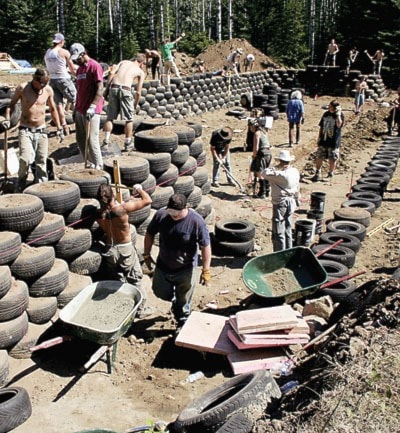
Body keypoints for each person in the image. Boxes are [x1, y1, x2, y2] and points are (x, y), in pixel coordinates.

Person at [143, 193, 212, 331]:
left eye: (177, 213)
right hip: (163, 266)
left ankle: (183, 321)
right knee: (159, 291)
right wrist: (146, 254)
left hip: (186, 269)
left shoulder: (196, 221)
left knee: (184, 299)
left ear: (185, 207)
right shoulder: (161, 215)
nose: (173, 215)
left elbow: (205, 246)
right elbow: (149, 233)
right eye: (171, 212)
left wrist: (206, 270)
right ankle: (175, 301)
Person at [1, 68, 63, 192]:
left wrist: (59, 127)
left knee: (41, 160)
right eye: (40, 83)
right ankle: (21, 181)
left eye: (45, 83)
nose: (42, 86)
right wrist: (7, 119)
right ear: (34, 79)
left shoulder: (47, 90)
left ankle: (41, 185)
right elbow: (11, 105)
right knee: (25, 158)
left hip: (41, 130)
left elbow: (52, 109)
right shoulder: (22, 88)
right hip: (25, 129)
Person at [96, 183, 153, 317]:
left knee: (117, 278)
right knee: (135, 278)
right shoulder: (122, 209)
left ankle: (120, 306)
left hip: (109, 249)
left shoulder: (99, 213)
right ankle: (140, 310)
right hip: (125, 248)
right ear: (113, 195)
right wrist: (139, 189)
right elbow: (148, 200)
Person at [70, 42, 104, 169]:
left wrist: (93, 106)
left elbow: (100, 88)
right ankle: (89, 162)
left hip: (92, 109)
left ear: (83, 54)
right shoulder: (79, 70)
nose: (76, 61)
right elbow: (79, 89)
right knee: (80, 138)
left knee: (92, 139)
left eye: (78, 58)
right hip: (80, 108)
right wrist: (75, 107)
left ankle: (99, 164)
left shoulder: (95, 66)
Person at [103, 54, 146, 150]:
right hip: (126, 90)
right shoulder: (140, 72)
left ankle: (105, 141)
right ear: (142, 63)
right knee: (129, 118)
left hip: (114, 87)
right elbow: (138, 92)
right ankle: (127, 143)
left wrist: (106, 90)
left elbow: (112, 73)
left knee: (110, 117)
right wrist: (134, 105)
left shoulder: (123, 62)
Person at [260, 150, 300, 252]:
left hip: (281, 203)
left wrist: (276, 167)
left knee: (278, 231)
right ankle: (288, 251)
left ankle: (279, 253)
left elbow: (264, 173)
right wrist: (297, 199)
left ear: (280, 161)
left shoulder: (280, 175)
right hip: (291, 202)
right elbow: (297, 187)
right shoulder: (295, 171)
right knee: (288, 228)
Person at [44, 32, 76, 136]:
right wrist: (76, 75)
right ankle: (81, 121)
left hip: (52, 79)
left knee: (58, 104)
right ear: (61, 41)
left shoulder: (48, 52)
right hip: (64, 78)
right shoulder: (64, 52)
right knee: (76, 100)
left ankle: (63, 125)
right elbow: (71, 67)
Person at [312, 99, 345, 181]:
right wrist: (319, 138)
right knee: (319, 156)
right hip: (324, 140)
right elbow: (321, 126)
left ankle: (330, 174)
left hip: (333, 141)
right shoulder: (325, 114)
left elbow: (339, 125)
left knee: (332, 158)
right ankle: (317, 172)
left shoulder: (340, 115)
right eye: (329, 106)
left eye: (331, 107)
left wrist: (338, 115)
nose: (329, 108)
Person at [249, 118, 272, 198]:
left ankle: (262, 192)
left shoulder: (257, 133)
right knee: (266, 172)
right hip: (268, 153)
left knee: (260, 172)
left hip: (262, 153)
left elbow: (256, 148)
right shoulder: (264, 132)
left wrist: (254, 155)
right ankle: (267, 190)